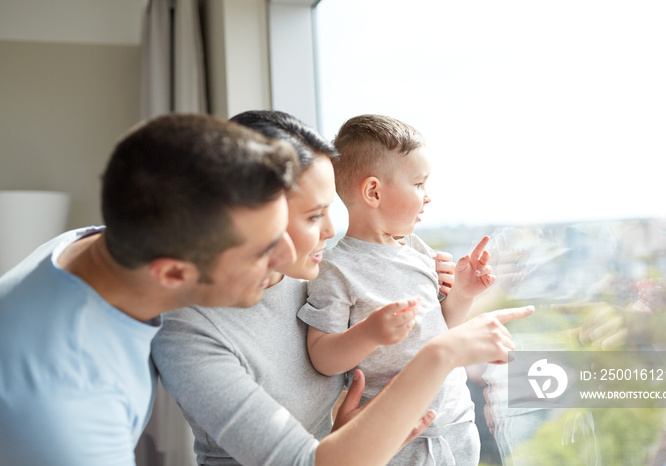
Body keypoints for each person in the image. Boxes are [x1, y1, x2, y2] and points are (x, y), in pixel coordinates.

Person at [152, 110, 533, 466]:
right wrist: (441, 354)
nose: (332, 231)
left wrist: (453, 295)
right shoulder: (189, 335)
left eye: (328, 209)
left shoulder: (306, 272)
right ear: (250, 216)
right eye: (314, 215)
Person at [0, 113, 299, 466]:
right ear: (173, 273)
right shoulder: (68, 406)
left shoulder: (95, 247)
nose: (289, 256)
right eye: (264, 250)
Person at [298, 114, 500, 465]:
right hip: (397, 441)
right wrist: (370, 333)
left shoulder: (418, 253)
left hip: (454, 425)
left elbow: (439, 333)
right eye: (419, 184)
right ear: (373, 191)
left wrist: (463, 294)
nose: (428, 197)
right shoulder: (336, 269)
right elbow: (322, 357)